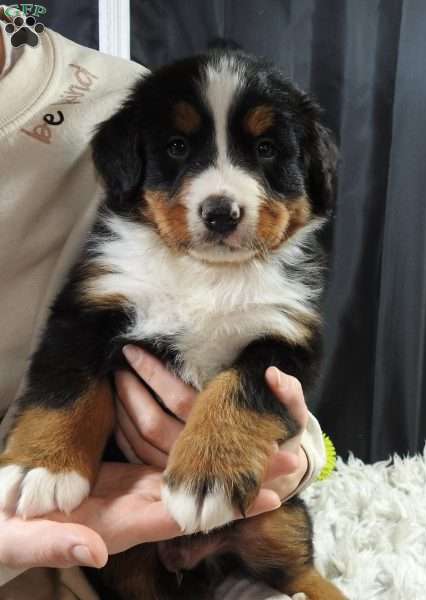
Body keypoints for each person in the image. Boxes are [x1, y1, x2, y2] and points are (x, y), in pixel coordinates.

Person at [0, 7, 326, 599]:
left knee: (283, 550)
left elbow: (282, 388)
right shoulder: (123, 256)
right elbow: (75, 352)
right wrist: (51, 451)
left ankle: (305, 582)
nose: (222, 196)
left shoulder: (113, 86)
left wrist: (299, 451)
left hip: (238, 504)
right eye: (179, 147)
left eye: (267, 151)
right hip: (97, 536)